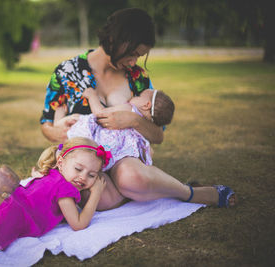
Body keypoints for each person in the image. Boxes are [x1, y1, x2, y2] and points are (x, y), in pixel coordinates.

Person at [39, 7, 236, 211]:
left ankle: (190, 193)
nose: (133, 62)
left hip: (123, 161)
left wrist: (133, 121)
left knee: (131, 178)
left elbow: (158, 136)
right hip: (83, 164)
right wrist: (59, 130)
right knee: (88, 192)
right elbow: (46, 125)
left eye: (139, 56)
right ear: (115, 39)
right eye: (132, 54)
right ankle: (142, 191)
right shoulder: (66, 72)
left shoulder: (137, 77)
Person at [55, 87, 174, 171]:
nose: (134, 96)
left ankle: (58, 121)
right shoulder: (144, 127)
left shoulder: (130, 109)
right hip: (117, 156)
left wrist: (92, 96)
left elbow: (100, 113)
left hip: (101, 140)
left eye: (139, 96)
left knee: (78, 120)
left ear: (146, 105)